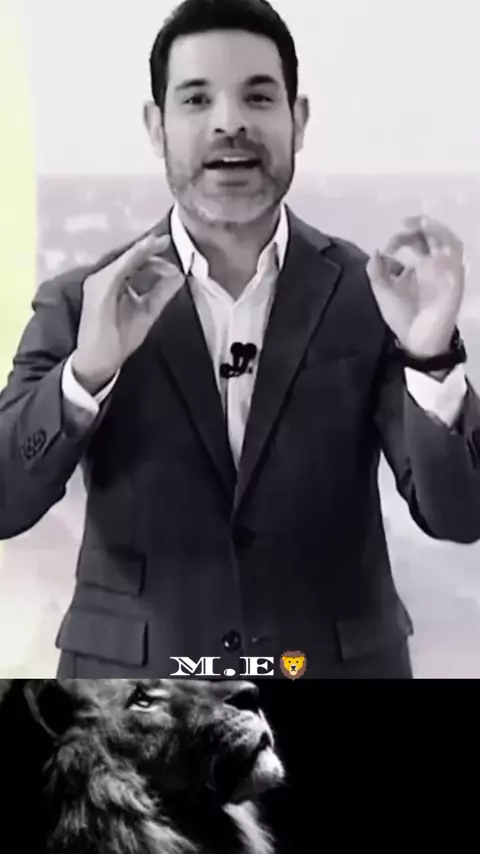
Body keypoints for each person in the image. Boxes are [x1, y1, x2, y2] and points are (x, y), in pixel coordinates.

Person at [0, 0, 479, 680]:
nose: (230, 122)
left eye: (258, 96)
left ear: (298, 119)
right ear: (156, 126)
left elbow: (460, 516)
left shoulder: (373, 297)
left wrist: (430, 357)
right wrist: (87, 372)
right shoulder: (82, 300)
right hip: (131, 704)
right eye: (197, 99)